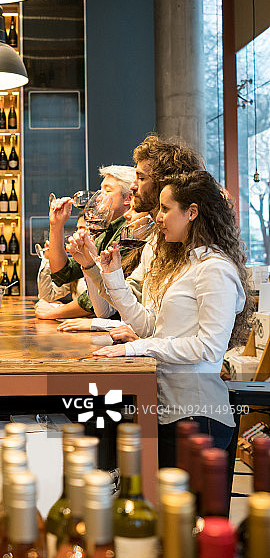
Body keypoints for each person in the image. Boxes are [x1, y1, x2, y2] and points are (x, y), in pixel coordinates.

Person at [92, 171, 251, 466]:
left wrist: (138, 347)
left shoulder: (215, 269)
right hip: (171, 412)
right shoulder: (186, 265)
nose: (159, 218)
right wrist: (113, 277)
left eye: (166, 209)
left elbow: (209, 348)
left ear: (192, 212)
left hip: (200, 419)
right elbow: (151, 327)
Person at [58, 134, 203, 337]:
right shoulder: (155, 243)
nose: (134, 186)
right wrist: (92, 266)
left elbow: (205, 345)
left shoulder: (205, 256)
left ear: (164, 184)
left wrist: (140, 343)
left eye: (142, 178)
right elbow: (135, 309)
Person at [39, 165, 135, 320]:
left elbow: (99, 297)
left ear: (128, 198)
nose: (98, 197)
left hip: (123, 331)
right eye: (100, 190)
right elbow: (62, 274)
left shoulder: (130, 235)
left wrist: (52, 313)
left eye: (107, 190)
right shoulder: (106, 232)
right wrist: (56, 226)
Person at [35, 212, 91, 320]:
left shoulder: (103, 260)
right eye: (78, 228)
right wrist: (47, 258)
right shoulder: (77, 263)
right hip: (79, 331)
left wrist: (55, 311)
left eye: (84, 228)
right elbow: (47, 296)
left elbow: (92, 305)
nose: (78, 233)